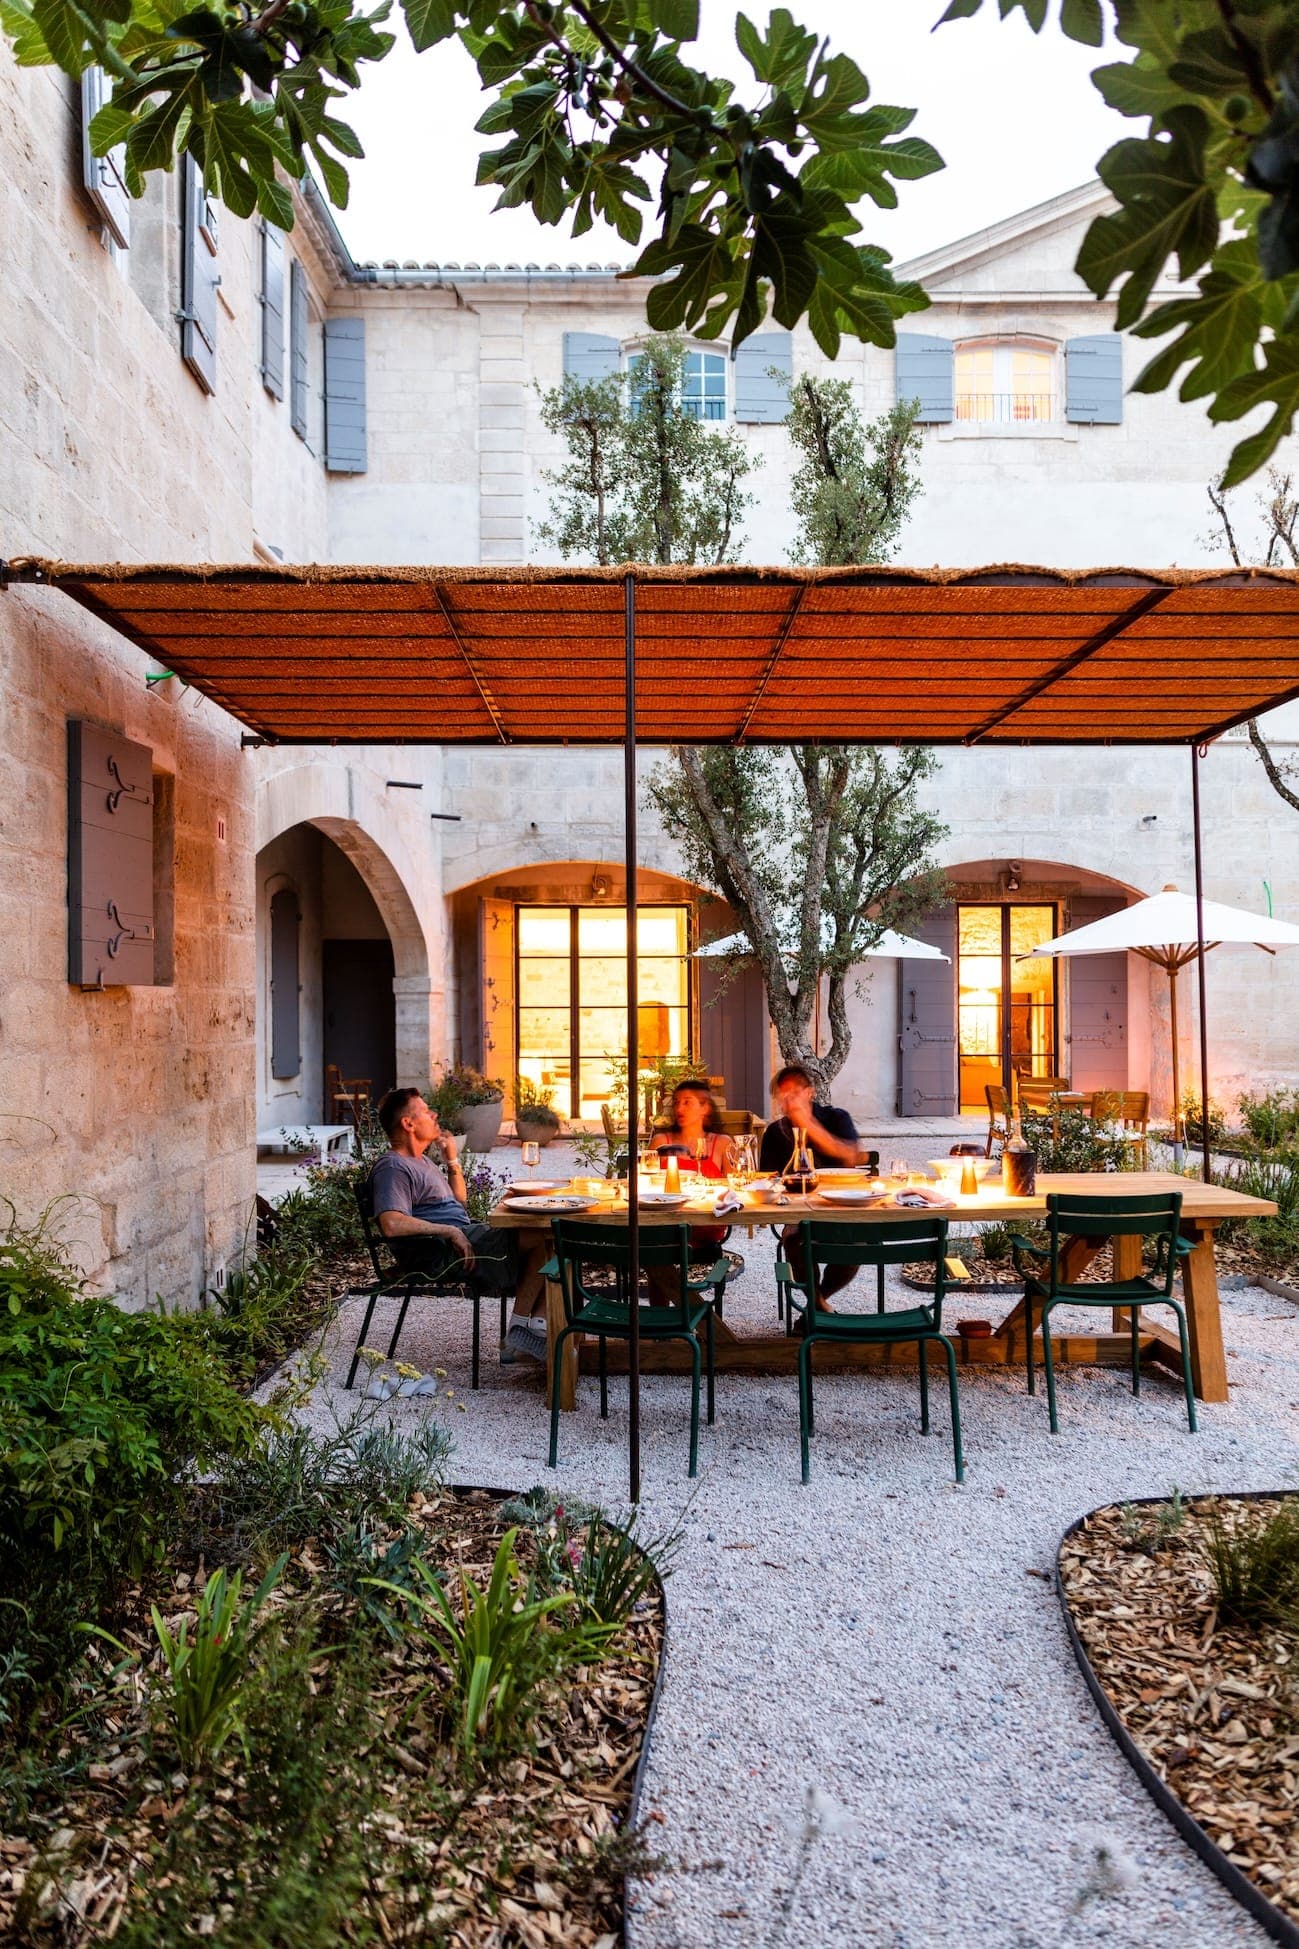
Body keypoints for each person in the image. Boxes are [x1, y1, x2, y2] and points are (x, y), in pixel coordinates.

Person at [370, 1086, 548, 1363]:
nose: (435, 1114)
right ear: (408, 1124)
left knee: (552, 1239)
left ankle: (538, 1331)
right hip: (441, 1252)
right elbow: (391, 1223)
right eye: (427, 1111)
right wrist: (449, 1230)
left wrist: (452, 1160)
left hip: (462, 1237)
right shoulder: (393, 1167)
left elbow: (458, 1203)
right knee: (545, 1239)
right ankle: (522, 1331)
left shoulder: (422, 1161)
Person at [759, 1063, 868, 1314]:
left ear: (810, 1092)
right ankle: (819, 1310)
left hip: (841, 1207)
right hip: (796, 1213)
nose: (789, 1099)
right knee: (795, 1242)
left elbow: (852, 1157)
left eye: (794, 1092)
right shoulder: (776, 1132)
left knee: (859, 1246)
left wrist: (808, 1124)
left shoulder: (836, 1118)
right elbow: (767, 1179)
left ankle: (814, 1308)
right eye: (783, 1094)